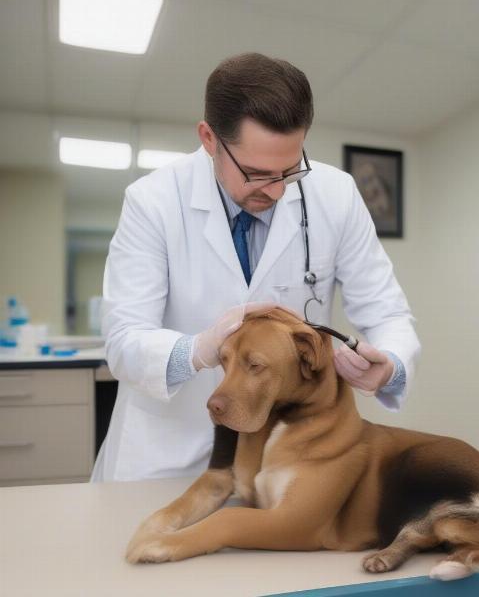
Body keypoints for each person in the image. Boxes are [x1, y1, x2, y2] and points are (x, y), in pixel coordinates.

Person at [91, 53, 421, 482]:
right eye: (257, 173)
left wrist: (391, 364)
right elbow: (123, 340)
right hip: (167, 452)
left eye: (291, 170)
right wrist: (198, 350)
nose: (279, 190)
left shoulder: (336, 194)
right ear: (209, 139)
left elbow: (387, 312)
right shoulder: (152, 201)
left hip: (281, 454)